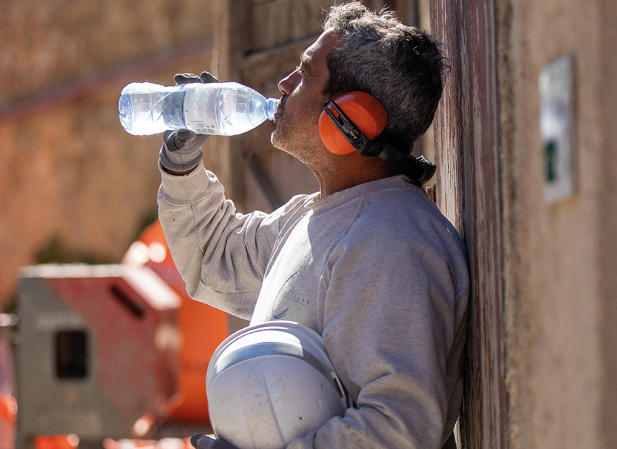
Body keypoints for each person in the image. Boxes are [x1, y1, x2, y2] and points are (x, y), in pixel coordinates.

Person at [155, 2, 469, 448]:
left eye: (303, 76)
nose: (283, 85)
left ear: (349, 118)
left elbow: (399, 430)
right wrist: (180, 160)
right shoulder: (315, 217)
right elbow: (213, 258)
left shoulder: (391, 242)